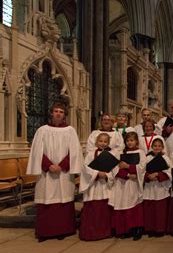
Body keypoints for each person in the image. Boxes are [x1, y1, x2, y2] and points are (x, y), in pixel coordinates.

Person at [27, 102, 83, 242]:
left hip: (63, 173)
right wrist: (49, 165)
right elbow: (36, 152)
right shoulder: (42, 130)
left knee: (63, 200)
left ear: (65, 115)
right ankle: (44, 232)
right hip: (46, 173)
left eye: (61, 112)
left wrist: (62, 165)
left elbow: (75, 151)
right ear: (51, 113)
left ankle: (63, 230)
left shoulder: (70, 130)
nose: (58, 113)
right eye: (56, 111)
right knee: (46, 200)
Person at [79, 133, 117, 241]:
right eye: (101, 141)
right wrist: (97, 173)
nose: (103, 143)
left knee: (104, 211)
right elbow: (85, 168)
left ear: (108, 143)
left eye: (105, 141)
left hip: (105, 186)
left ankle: (105, 232)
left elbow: (114, 170)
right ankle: (91, 233)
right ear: (96, 142)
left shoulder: (111, 155)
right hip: (93, 186)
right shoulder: (90, 154)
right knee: (93, 210)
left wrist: (107, 175)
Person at [109, 132, 146, 240]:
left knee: (134, 204)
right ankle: (124, 229)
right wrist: (127, 174)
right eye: (128, 141)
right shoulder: (120, 153)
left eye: (132, 140)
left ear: (137, 142)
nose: (130, 143)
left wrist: (128, 166)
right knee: (122, 204)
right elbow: (115, 168)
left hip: (134, 183)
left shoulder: (140, 152)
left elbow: (142, 167)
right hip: (122, 182)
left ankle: (136, 229)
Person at [143, 138, 172, 237]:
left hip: (160, 186)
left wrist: (157, 174)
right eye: (155, 146)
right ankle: (150, 229)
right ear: (152, 147)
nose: (157, 148)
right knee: (149, 208)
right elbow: (141, 170)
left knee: (160, 209)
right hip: (149, 185)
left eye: (159, 146)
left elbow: (169, 172)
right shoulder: (146, 158)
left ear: (162, 147)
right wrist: (148, 176)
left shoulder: (166, 158)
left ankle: (159, 229)